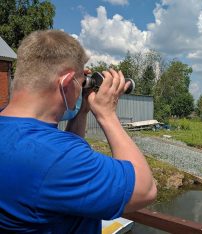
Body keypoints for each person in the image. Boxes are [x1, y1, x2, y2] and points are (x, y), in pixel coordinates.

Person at [0, 30, 157, 233]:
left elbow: (55, 166)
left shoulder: (36, 144)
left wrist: (82, 112)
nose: (81, 87)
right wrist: (107, 115)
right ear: (66, 83)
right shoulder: (59, 157)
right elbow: (145, 190)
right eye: (80, 81)